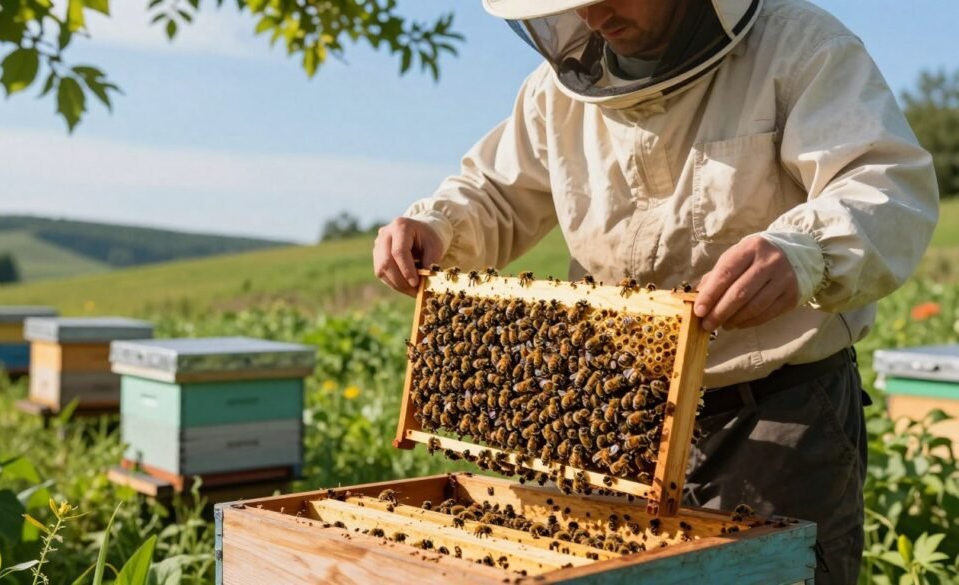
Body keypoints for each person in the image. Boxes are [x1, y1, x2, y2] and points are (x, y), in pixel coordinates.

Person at [372, 0, 939, 582]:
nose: (592, 16)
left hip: (772, 416)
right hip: (607, 419)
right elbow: (494, 192)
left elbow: (883, 183)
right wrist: (437, 225)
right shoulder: (556, 93)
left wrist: (805, 251)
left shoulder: (800, 48)